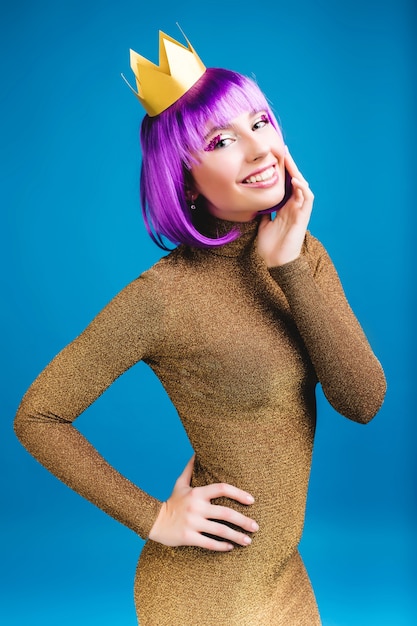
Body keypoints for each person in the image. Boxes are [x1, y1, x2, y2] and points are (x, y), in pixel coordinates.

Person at [14, 30, 386, 625]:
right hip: (204, 595)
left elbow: (362, 400)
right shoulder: (163, 296)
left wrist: (288, 268)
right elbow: (38, 416)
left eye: (260, 121)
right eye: (221, 139)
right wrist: (156, 517)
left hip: (282, 577)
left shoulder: (302, 255)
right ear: (184, 178)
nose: (258, 149)